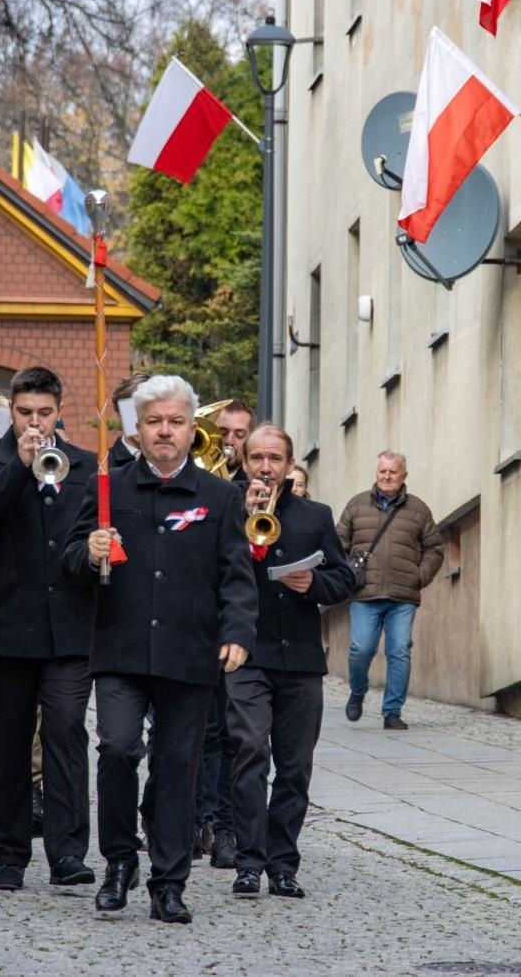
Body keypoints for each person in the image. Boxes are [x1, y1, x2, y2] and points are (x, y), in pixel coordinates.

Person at [63, 373, 256, 924]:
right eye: (154, 422)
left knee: (177, 770)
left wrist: (237, 633)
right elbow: (70, 561)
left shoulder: (219, 497)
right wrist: (88, 551)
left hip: (189, 654)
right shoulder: (107, 489)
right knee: (119, 750)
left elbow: (236, 577)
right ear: (138, 428)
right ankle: (119, 862)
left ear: (192, 430)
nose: (164, 431)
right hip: (120, 649)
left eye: (175, 422)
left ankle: (168, 883)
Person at [0, 367, 97, 892]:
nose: (34, 422)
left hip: (68, 629)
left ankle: (67, 854)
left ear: (59, 411)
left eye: (44, 413)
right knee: (8, 742)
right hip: (4, 624)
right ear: (10, 413)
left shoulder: (85, 465)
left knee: (65, 734)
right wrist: (18, 466)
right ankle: (9, 854)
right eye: (24, 413)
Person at [227, 425, 357, 898]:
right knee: (248, 752)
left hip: (301, 658)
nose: (266, 467)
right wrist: (241, 519)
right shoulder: (225, 506)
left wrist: (314, 585)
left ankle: (283, 864)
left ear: (289, 464)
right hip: (247, 654)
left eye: (275, 458)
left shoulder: (315, 515)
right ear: (244, 463)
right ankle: (247, 862)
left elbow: (343, 580)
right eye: (257, 458)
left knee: (295, 767)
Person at [337, 451, 445, 730]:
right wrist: (346, 574)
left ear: (403, 476)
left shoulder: (418, 509)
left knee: (399, 650)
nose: (386, 476)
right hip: (364, 594)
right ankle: (358, 692)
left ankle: (392, 711)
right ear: (377, 473)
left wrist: (419, 576)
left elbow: (435, 548)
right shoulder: (357, 505)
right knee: (362, 648)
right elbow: (337, 543)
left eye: (392, 472)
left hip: (402, 596)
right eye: (382, 471)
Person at [195, 398, 253, 867]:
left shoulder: (260, 490)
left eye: (240, 435)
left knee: (236, 737)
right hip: (199, 628)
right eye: (225, 432)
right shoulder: (201, 481)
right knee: (204, 732)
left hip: (241, 633)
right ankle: (198, 821)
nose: (230, 442)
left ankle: (228, 829)